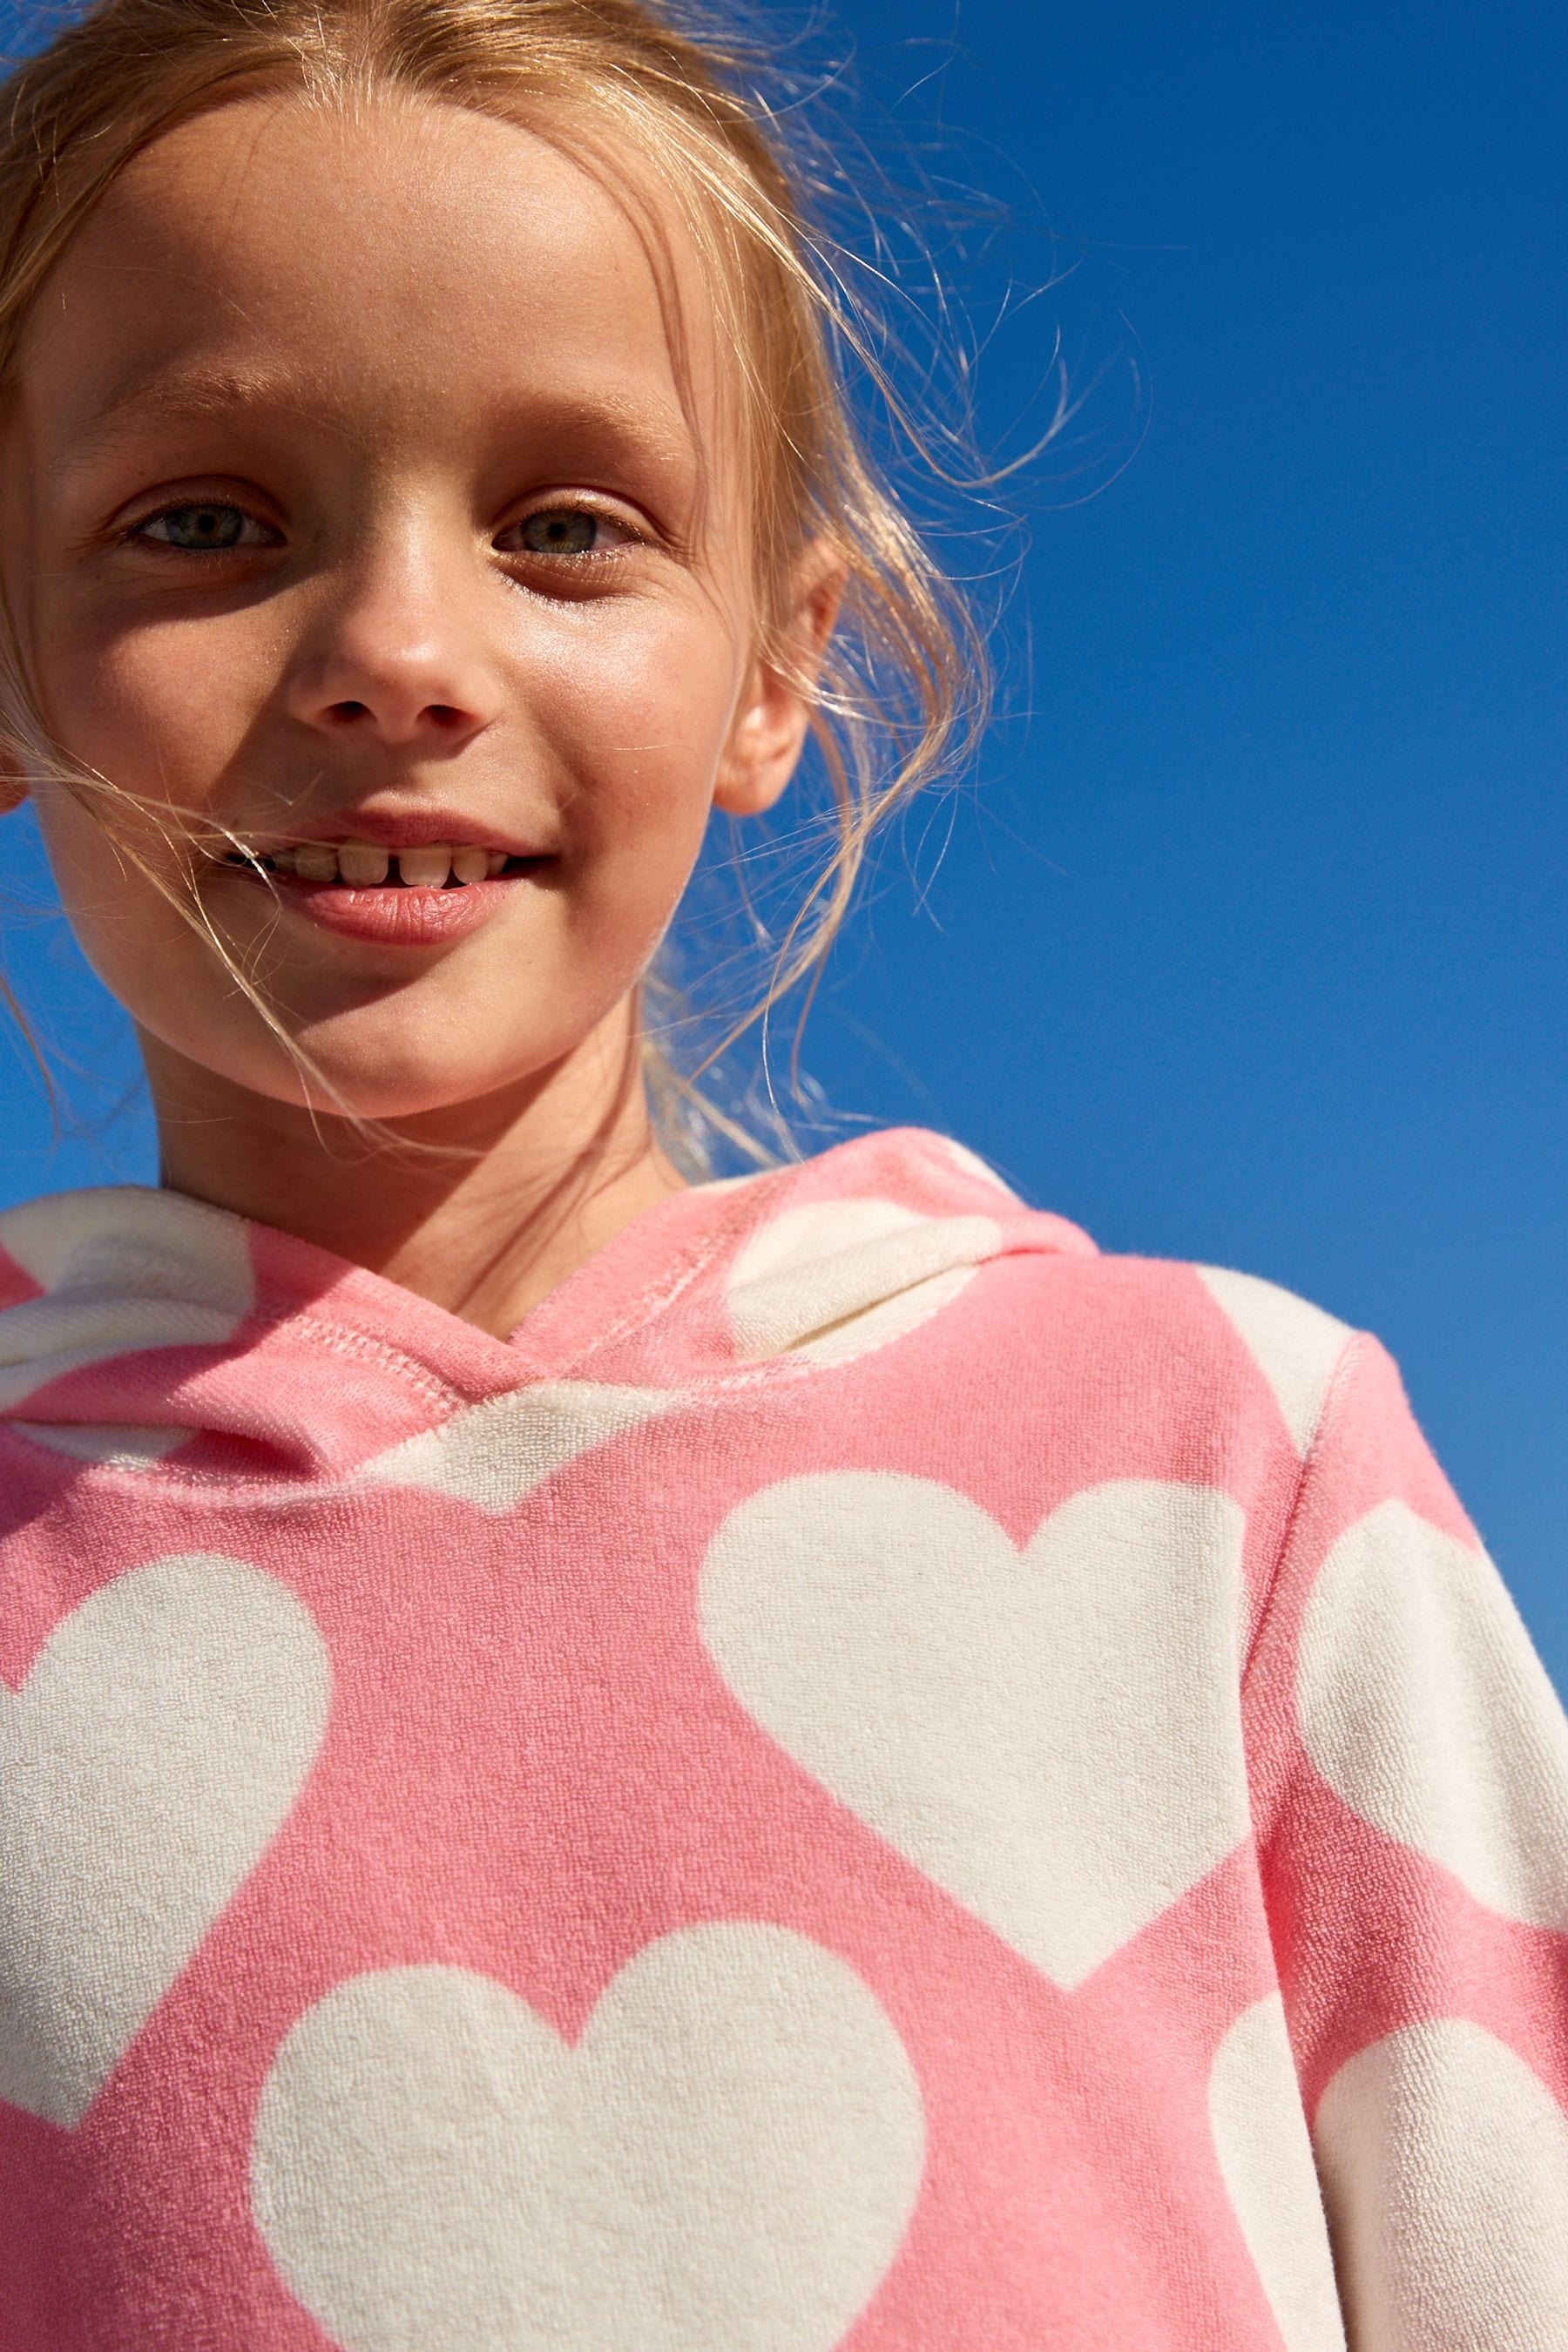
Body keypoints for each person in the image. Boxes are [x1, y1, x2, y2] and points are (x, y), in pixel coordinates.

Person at [0, 0, 1562, 2343]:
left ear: (779, 667)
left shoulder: (1229, 1473)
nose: (398, 649)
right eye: (205, 519)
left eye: (566, 525)